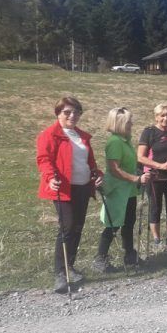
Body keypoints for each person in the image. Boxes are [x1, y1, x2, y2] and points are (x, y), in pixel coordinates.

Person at [36, 96, 103, 293]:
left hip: (82, 186)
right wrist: (50, 177)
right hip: (63, 188)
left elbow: (89, 162)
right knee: (67, 226)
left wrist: (97, 174)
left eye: (76, 112)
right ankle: (60, 273)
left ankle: (70, 266)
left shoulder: (82, 136)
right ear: (58, 113)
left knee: (78, 226)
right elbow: (44, 159)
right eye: (67, 112)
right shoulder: (50, 134)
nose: (72, 116)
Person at [93, 108, 151, 272]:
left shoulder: (125, 141)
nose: (131, 124)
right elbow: (114, 169)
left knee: (128, 223)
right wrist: (136, 179)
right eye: (128, 121)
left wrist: (138, 173)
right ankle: (100, 259)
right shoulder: (115, 142)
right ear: (119, 123)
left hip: (128, 190)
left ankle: (130, 255)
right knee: (113, 224)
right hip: (117, 190)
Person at [137, 104, 167, 251]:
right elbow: (140, 157)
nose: (166, 118)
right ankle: (157, 240)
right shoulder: (149, 132)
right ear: (156, 117)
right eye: (162, 115)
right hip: (154, 177)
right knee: (155, 208)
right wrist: (160, 166)